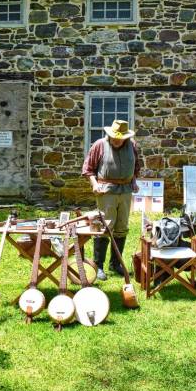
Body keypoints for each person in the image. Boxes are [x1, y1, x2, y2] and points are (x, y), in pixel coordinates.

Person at [82, 120, 140, 281]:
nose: (117, 140)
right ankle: (98, 265)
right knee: (105, 226)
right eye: (114, 137)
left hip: (126, 190)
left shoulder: (132, 145)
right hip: (105, 190)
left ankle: (116, 264)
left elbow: (136, 167)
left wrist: (134, 181)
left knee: (122, 226)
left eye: (120, 138)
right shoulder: (99, 145)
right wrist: (94, 184)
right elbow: (88, 169)